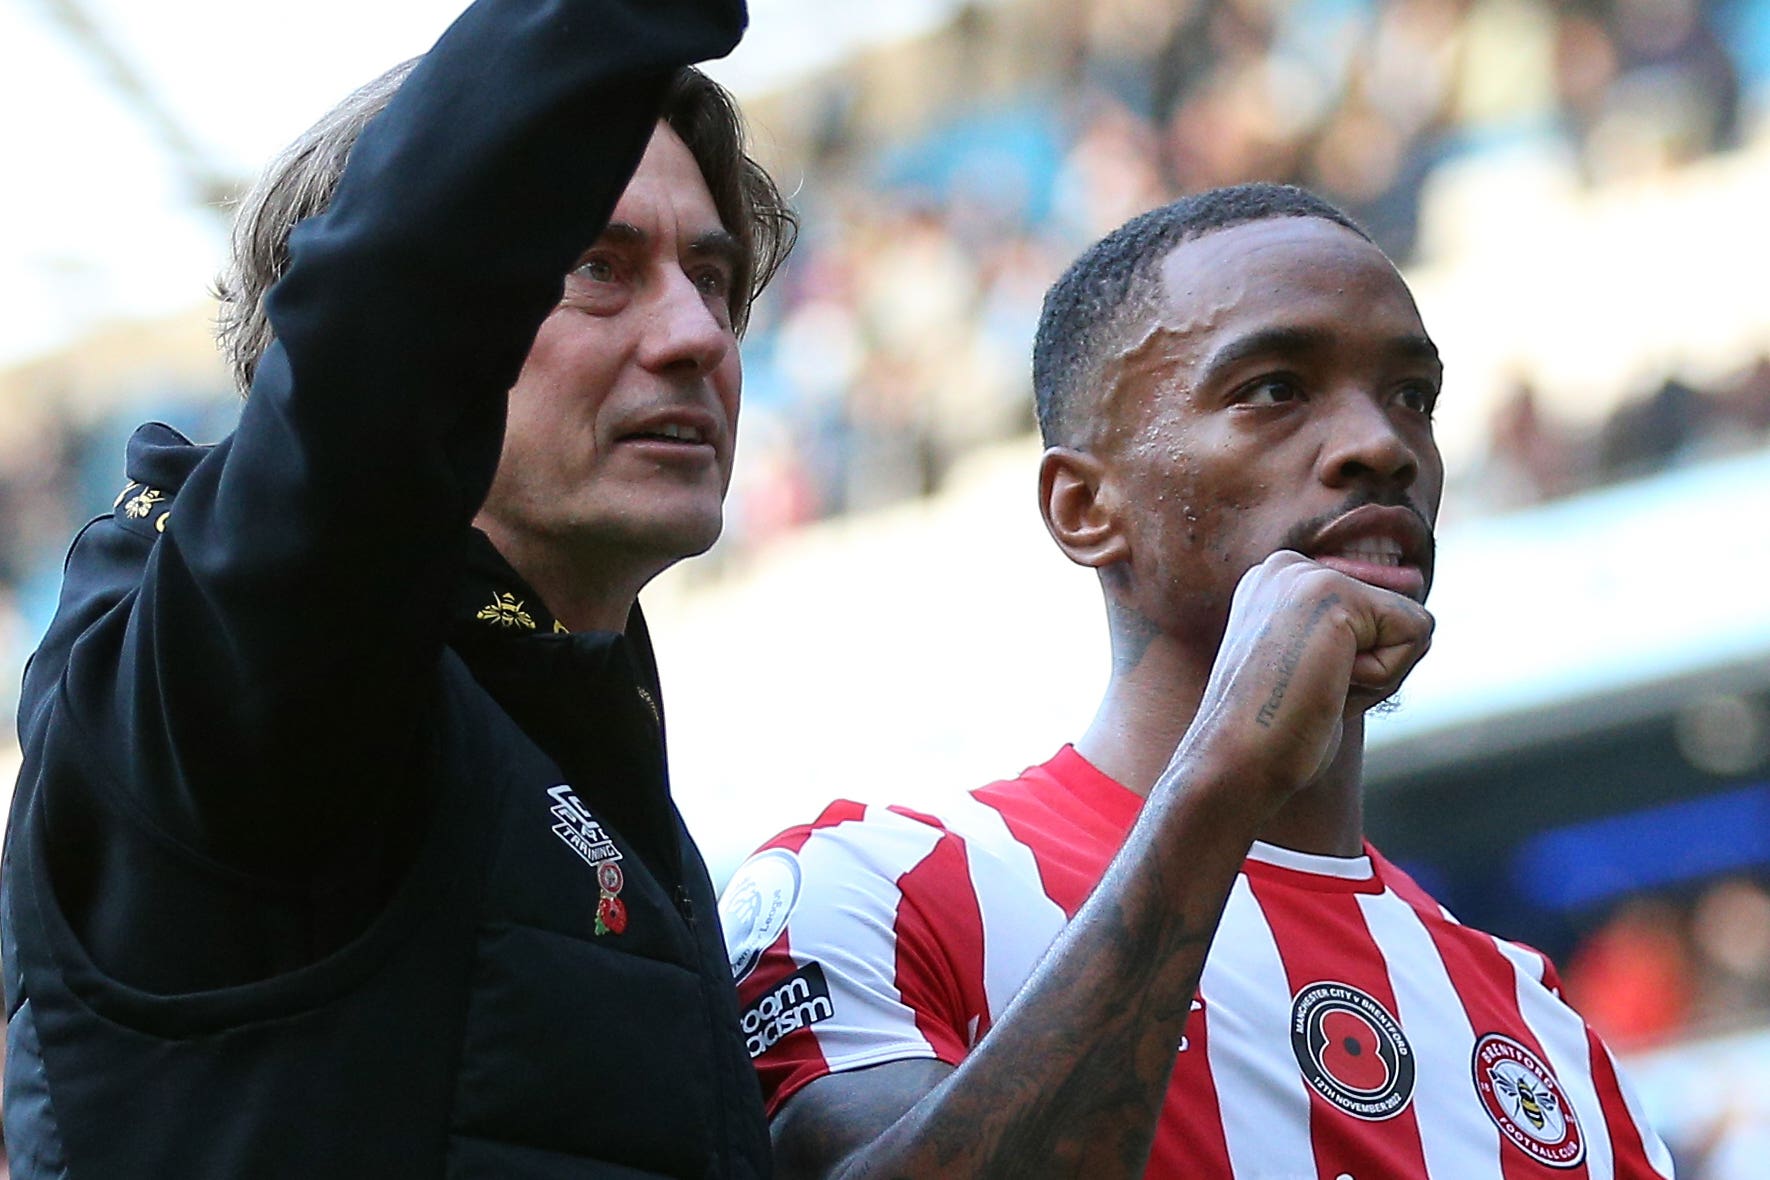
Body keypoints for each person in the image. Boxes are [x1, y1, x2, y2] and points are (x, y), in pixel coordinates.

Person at [719, 184, 1674, 1178]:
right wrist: (1225, 777)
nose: (1381, 447)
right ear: (1087, 505)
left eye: (1412, 397)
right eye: (1275, 389)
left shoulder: (1546, 1034)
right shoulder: (880, 888)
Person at [1, 0, 794, 1175]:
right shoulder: (241, 701)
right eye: (595, 265)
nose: (697, 334)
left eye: (714, 277)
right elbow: (380, 331)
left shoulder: (581, 751)